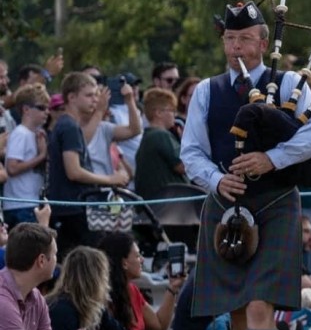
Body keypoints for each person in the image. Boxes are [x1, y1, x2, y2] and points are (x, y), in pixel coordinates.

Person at [180, 0, 311, 330]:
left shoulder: (289, 86)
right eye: (230, 39)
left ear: (262, 43)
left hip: (277, 201)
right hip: (226, 204)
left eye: (244, 39)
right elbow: (191, 152)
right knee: (239, 308)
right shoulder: (206, 91)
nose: (235, 48)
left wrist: (271, 159)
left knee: (261, 301)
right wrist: (216, 179)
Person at [46, 246, 186, 330]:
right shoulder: (61, 309)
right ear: (93, 278)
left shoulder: (92, 306)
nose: (106, 280)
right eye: (103, 274)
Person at [47, 73, 132, 255]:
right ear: (71, 97)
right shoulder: (69, 126)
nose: (95, 100)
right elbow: (74, 171)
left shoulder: (67, 125)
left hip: (71, 208)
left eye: (96, 95)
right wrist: (111, 179)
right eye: (89, 95)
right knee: (89, 264)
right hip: (72, 209)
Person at [4, 85, 50, 226]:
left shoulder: (36, 134)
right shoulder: (20, 133)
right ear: (26, 109)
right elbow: (12, 168)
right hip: (20, 204)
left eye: (48, 108)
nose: (46, 112)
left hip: (31, 202)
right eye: (41, 108)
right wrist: (41, 156)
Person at [134, 87, 184, 200]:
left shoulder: (148, 136)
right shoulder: (161, 135)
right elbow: (184, 166)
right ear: (159, 113)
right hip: (168, 207)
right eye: (171, 110)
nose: (174, 115)